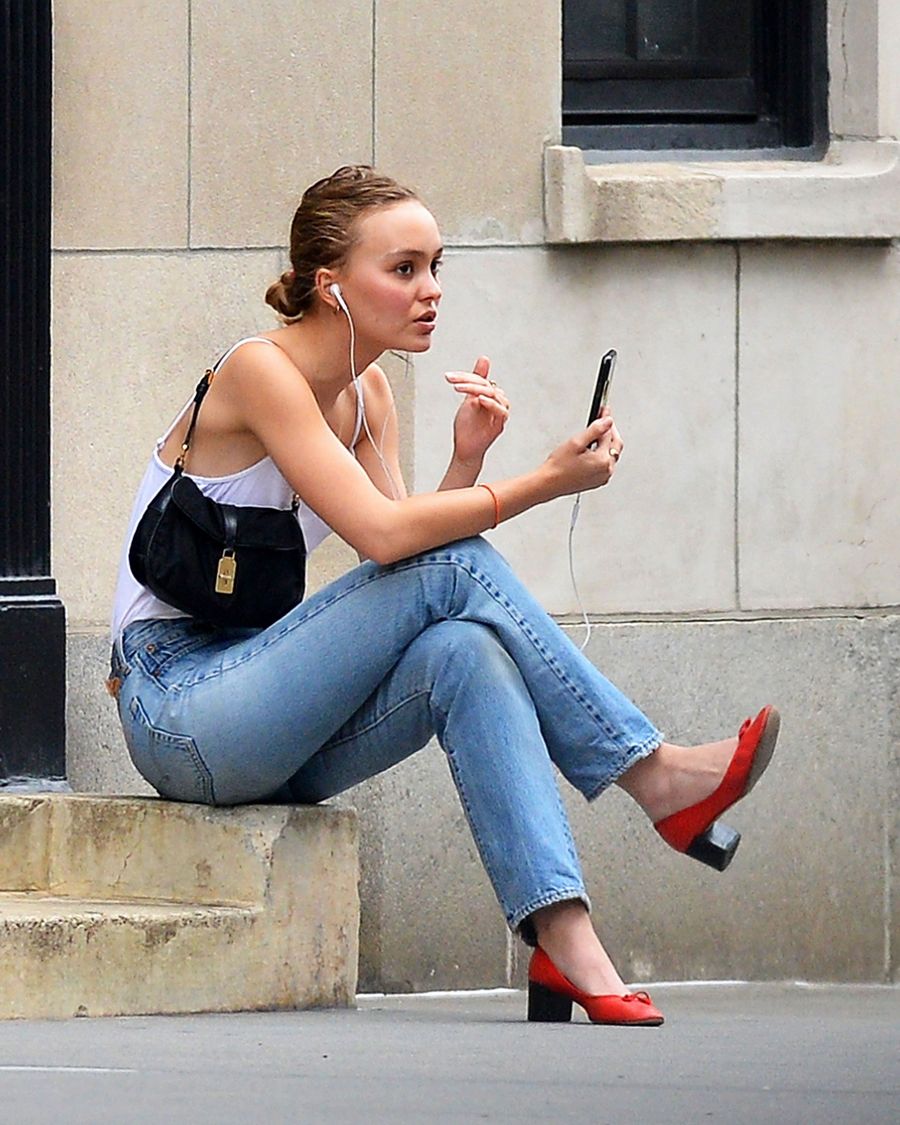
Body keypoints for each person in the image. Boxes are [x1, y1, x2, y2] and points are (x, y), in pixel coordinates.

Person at [108, 165, 779, 1028]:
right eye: (404, 268)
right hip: (180, 709)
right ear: (330, 285)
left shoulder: (368, 395)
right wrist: (542, 482)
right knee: (451, 576)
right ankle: (654, 774)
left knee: (464, 649)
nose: (431, 290)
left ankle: (565, 940)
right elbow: (395, 542)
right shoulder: (259, 370)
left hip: (275, 715)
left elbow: (397, 555)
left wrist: (467, 463)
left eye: (436, 266)